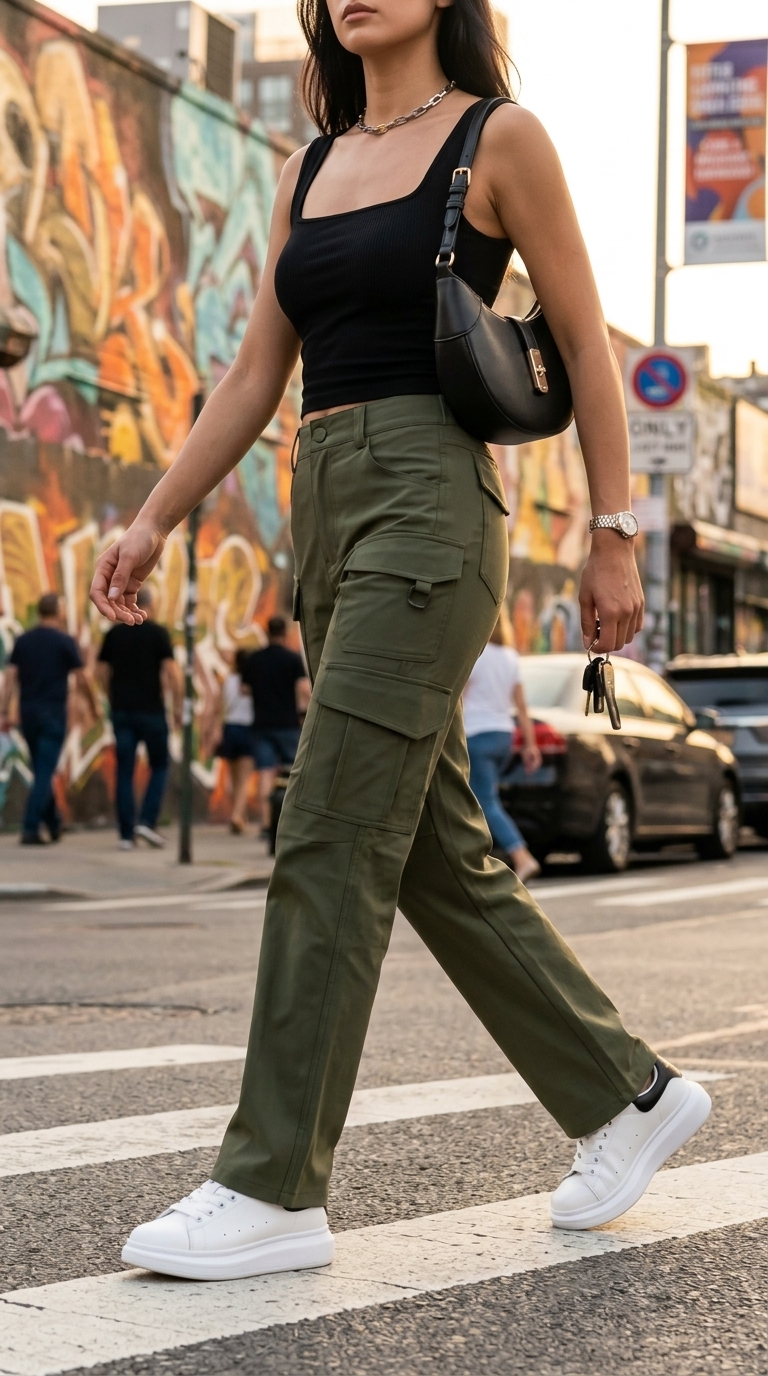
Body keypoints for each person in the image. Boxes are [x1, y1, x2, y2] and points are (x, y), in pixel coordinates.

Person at [91, 0, 711, 1280]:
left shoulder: (500, 140)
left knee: (326, 826)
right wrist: (153, 516)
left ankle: (271, 1183)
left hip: (431, 506)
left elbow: (584, 342)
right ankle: (628, 1094)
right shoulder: (306, 167)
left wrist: (614, 533)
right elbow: (255, 373)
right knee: (432, 848)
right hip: (324, 506)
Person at [0, 593, 93, 845]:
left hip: (28, 715)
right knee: (44, 771)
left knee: (42, 768)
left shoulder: (23, 641)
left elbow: (10, 677)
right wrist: (93, 705)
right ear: (59, 612)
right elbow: (82, 677)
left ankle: (53, 823)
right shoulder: (64, 641)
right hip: (53, 715)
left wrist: (4, 710)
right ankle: (30, 827)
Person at [96, 586, 181, 850]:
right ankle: (146, 821)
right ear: (150, 605)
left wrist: (111, 697)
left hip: (122, 712)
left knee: (124, 771)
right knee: (160, 764)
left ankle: (125, 835)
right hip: (152, 711)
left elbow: (101, 672)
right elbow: (172, 672)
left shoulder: (114, 634)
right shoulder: (158, 633)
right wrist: (179, 706)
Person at [464, 606, 542, 883]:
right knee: (478, 799)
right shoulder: (510, 657)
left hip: (476, 734)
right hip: (503, 737)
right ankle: (477, 860)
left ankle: (521, 856)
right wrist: (530, 745)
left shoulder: (475, 653)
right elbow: (522, 706)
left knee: (483, 801)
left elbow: (458, 697)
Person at [241, 616, 311, 831]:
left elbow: (244, 689)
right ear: (285, 632)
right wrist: (304, 712)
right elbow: (304, 689)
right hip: (288, 724)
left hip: (261, 724)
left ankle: (266, 823)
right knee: (293, 772)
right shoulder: (292, 659)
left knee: (265, 772)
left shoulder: (255, 659)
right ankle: (289, 823)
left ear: (267, 632)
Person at [216, 648, 256, 835]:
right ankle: (237, 815)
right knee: (244, 778)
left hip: (230, 727)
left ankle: (240, 815)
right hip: (247, 728)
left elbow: (219, 706)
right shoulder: (253, 682)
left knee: (234, 777)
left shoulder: (228, 680)